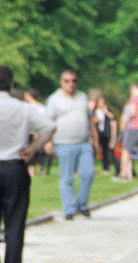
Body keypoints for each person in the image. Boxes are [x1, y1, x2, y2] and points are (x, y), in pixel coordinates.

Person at [0, 65, 55, 263]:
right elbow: (49, 126)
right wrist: (32, 148)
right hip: (14, 166)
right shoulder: (22, 108)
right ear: (11, 83)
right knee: (14, 224)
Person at [45, 69, 99, 220]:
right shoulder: (54, 99)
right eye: (67, 81)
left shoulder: (82, 97)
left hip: (83, 142)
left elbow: (90, 119)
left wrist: (95, 139)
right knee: (67, 177)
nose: (71, 84)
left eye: (73, 81)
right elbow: (48, 122)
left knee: (88, 173)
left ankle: (81, 204)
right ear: (61, 82)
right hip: (63, 143)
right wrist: (47, 141)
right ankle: (69, 208)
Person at [93, 96, 118, 176]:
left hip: (105, 133)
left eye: (103, 102)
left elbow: (113, 118)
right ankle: (92, 168)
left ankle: (106, 168)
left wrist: (106, 112)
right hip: (97, 133)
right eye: (100, 102)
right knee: (94, 150)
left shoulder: (107, 111)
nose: (101, 104)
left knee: (105, 151)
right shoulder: (95, 111)